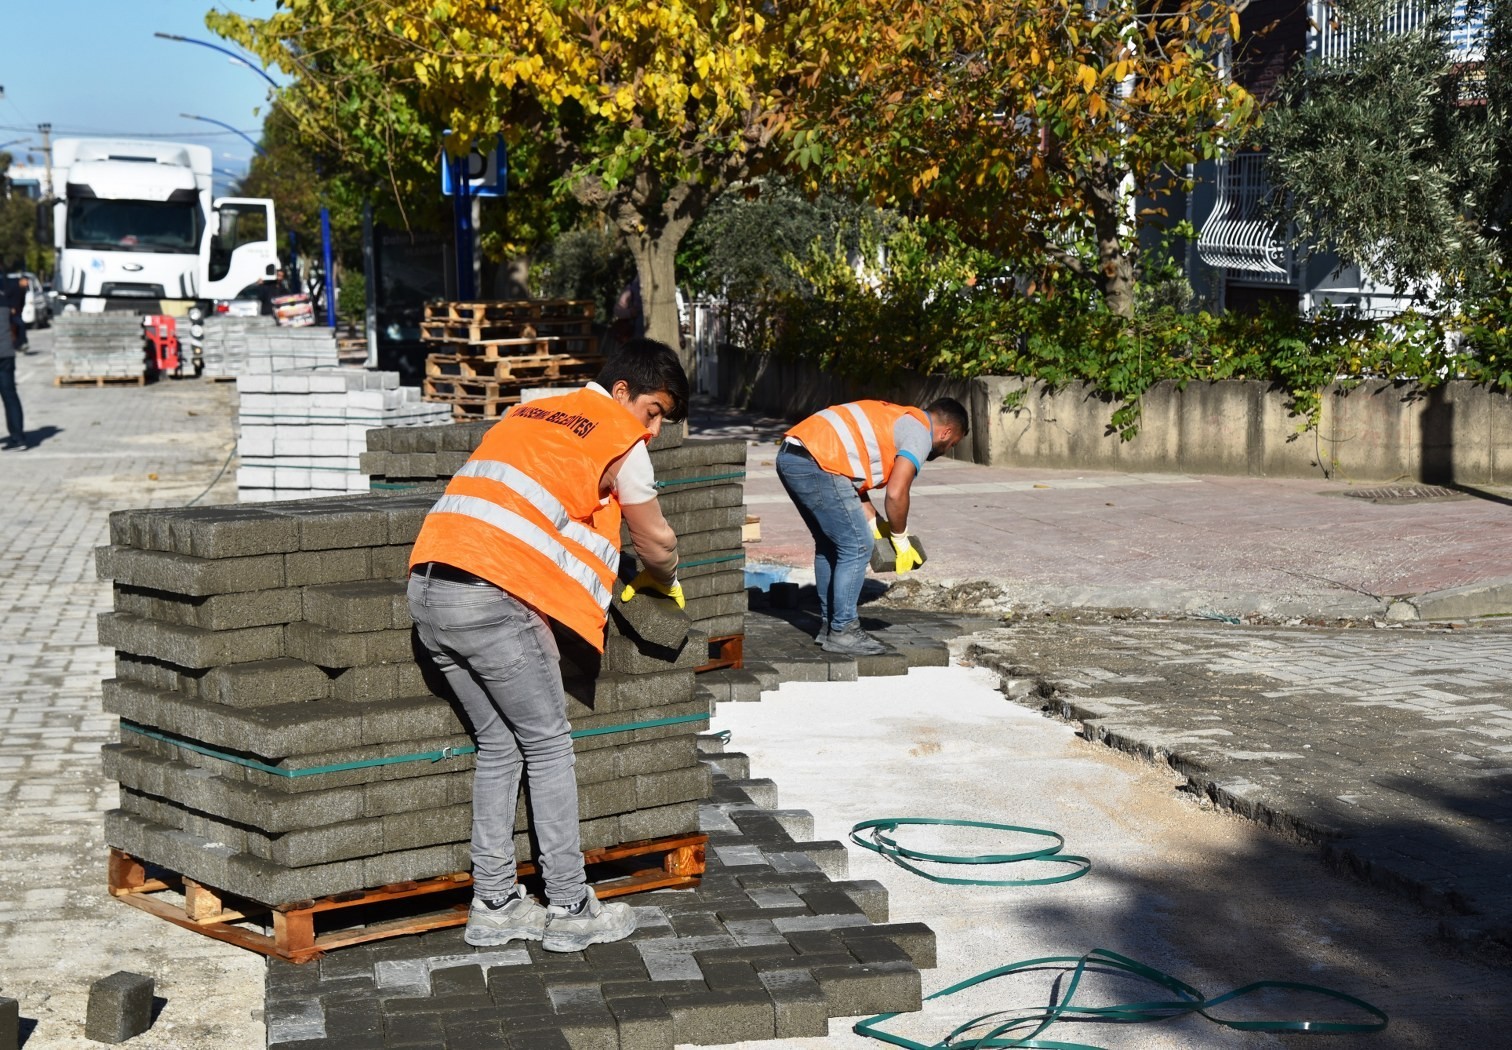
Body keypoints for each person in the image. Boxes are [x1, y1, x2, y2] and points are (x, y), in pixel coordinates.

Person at [406, 338, 687, 951]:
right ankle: (570, 904)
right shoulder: (619, 436)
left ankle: (496, 902)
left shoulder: (531, 413)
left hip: (428, 588)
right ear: (621, 394)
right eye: (654, 411)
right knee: (549, 744)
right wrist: (662, 579)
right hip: (492, 598)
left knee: (500, 744)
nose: (655, 428)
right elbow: (656, 539)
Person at [777, 397, 970, 655]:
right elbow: (896, 493)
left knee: (829, 543)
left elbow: (851, 483)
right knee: (857, 545)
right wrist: (900, 537)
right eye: (952, 443)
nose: (947, 448)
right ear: (946, 432)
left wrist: (875, 522)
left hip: (793, 455)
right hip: (819, 463)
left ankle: (831, 626)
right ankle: (843, 631)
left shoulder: (897, 417)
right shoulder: (920, 433)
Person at [0, 316, 24, 450]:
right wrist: (18, 343)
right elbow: (19, 323)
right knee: (10, 397)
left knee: (10, 397)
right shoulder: (5, 301)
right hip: (6, 353)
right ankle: (18, 438)